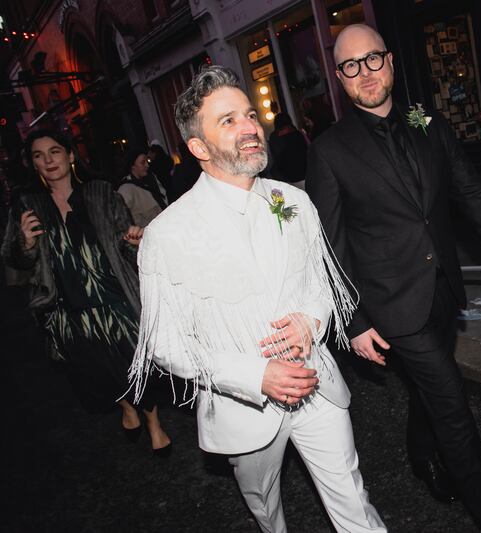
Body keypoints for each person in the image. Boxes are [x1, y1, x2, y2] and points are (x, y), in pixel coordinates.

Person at [127, 65, 385, 533]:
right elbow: (165, 343)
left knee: (353, 499)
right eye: (228, 120)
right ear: (198, 148)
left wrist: (311, 319)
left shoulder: (295, 200)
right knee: (265, 505)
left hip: (317, 384)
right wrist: (254, 375)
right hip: (242, 410)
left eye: (249, 114)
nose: (249, 126)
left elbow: (323, 284)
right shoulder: (167, 234)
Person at [306, 24, 481, 533]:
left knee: (427, 388)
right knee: (452, 402)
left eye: (372, 60)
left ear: (389, 62)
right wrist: (354, 319)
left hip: (443, 291)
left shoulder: (427, 121)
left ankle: (419, 454)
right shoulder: (329, 150)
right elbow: (329, 247)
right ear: (340, 78)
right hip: (390, 304)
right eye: (350, 66)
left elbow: (471, 190)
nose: (364, 73)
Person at [0, 129, 171, 454]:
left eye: (54, 152)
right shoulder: (27, 204)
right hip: (67, 309)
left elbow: (126, 245)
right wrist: (25, 242)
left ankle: (153, 423)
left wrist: (134, 241)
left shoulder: (101, 192)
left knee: (134, 365)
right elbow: (14, 260)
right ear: (33, 163)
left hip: (114, 300)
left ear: (70, 155)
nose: (48, 160)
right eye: (39, 155)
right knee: (96, 370)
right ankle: (125, 406)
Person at [117, 148, 168, 227]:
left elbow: (163, 199)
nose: (147, 165)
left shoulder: (151, 179)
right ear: (133, 166)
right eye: (142, 162)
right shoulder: (126, 189)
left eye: (147, 161)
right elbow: (121, 216)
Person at [268, 113, 309, 189]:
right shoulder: (297, 134)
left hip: (288, 179)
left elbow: (275, 159)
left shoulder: (275, 138)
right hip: (303, 175)